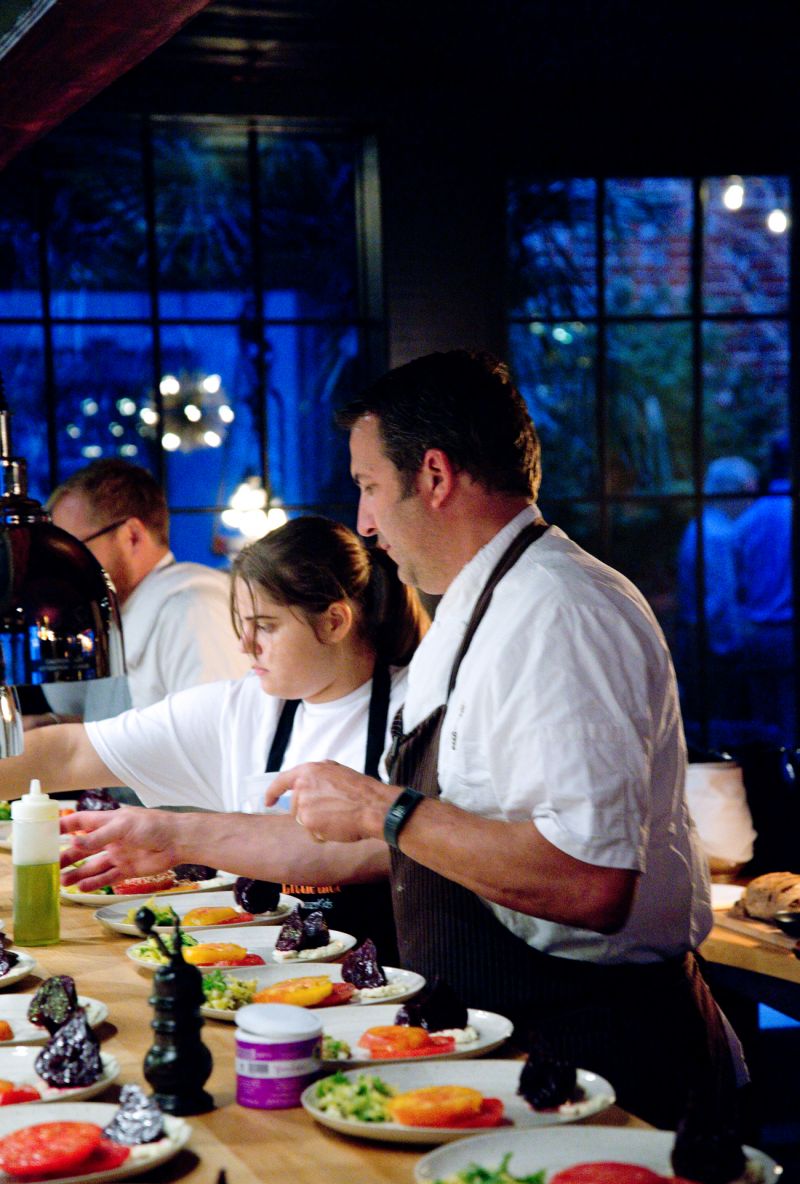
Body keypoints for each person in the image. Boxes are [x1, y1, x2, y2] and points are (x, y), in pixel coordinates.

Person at [55, 351, 740, 1130]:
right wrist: (173, 834)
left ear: (437, 476)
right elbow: (387, 849)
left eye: (371, 486)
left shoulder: (559, 612)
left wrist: (386, 808)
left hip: (604, 1052)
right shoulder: (470, 613)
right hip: (505, 1035)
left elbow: (590, 884)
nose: (367, 520)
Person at [1, 516, 428, 960]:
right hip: (263, 979)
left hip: (391, 991)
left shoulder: (416, 706)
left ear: (336, 621)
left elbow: (392, 847)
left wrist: (178, 835)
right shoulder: (239, 709)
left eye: (265, 625)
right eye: (242, 623)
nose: (246, 644)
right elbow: (67, 753)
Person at [45, 459, 247, 713]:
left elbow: (217, 732)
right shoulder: (113, 617)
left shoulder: (193, 607)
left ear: (131, 536)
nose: (64, 567)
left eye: (74, 548)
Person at [676, 455, 758, 724]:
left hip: (702, 640)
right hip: (716, 647)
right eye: (749, 491)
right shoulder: (719, 536)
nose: (752, 501)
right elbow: (722, 600)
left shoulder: (700, 527)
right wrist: (734, 647)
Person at [735, 433, 794, 744]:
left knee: (764, 726)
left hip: (755, 632)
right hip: (788, 630)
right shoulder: (785, 511)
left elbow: (739, 580)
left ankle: (767, 787)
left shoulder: (750, 519)